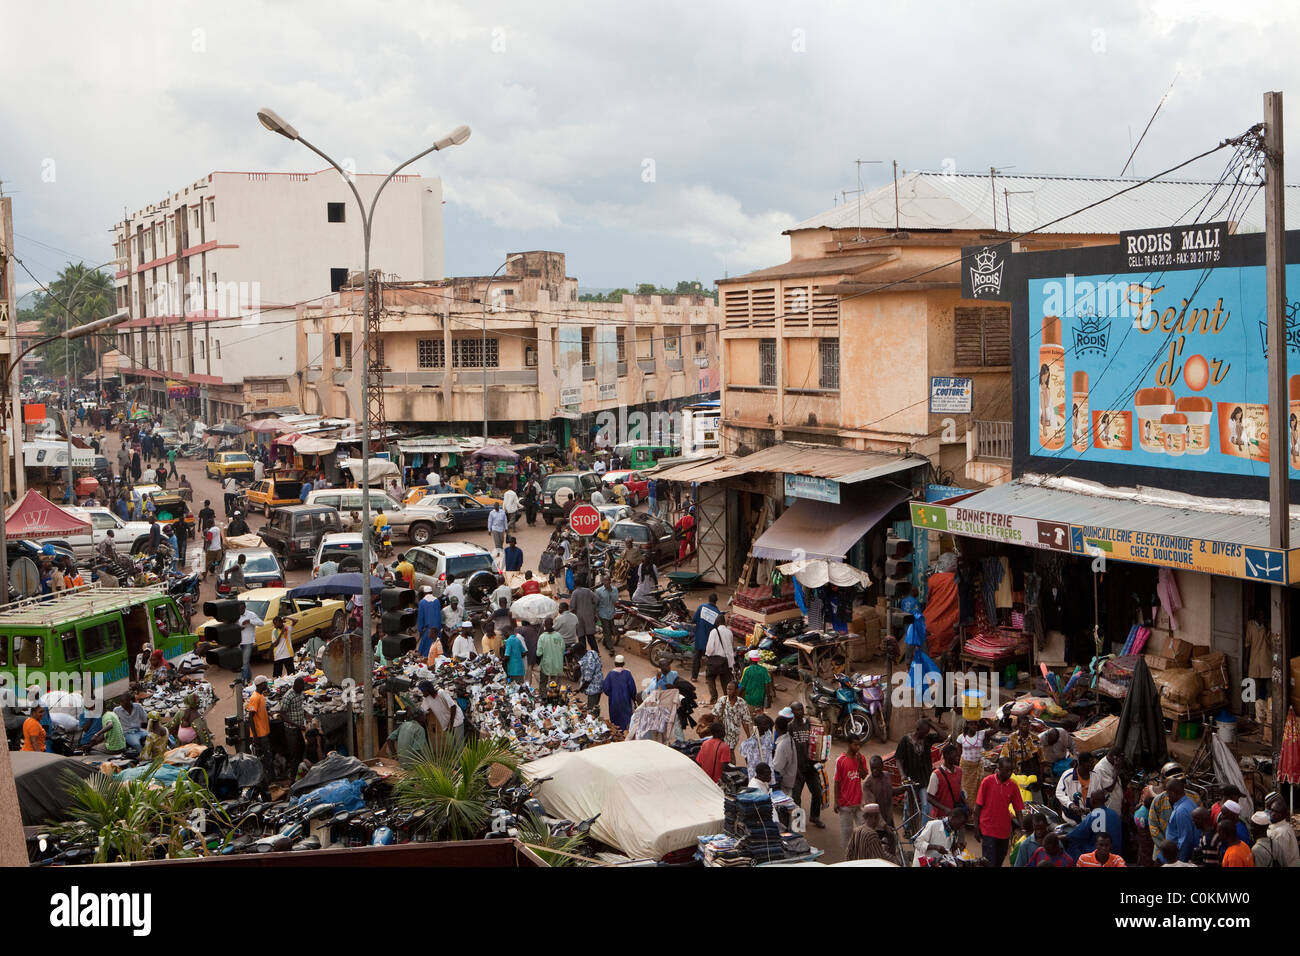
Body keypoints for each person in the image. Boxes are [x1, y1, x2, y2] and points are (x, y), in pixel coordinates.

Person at [974, 756, 1025, 866]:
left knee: (999, 860)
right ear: (999, 768)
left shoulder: (1013, 786)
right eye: (1007, 770)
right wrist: (976, 826)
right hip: (988, 828)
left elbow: (1018, 810)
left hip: (1004, 831)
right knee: (989, 862)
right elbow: (978, 806)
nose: (1009, 773)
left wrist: (1022, 828)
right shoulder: (987, 782)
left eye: (1011, 770)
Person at [896, 718, 942, 823]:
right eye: (925, 732)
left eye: (927, 732)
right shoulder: (905, 740)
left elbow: (943, 736)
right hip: (910, 779)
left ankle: (923, 831)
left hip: (925, 779)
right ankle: (907, 827)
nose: (926, 734)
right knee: (909, 806)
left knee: (926, 806)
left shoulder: (927, 739)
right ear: (918, 729)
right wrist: (902, 775)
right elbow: (898, 760)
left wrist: (931, 723)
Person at [788, 700, 824, 829]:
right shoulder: (790, 726)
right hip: (797, 767)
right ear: (792, 712)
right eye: (797, 710)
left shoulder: (808, 723)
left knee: (818, 793)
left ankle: (815, 817)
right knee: (796, 797)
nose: (800, 712)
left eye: (801, 709)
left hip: (811, 765)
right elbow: (789, 748)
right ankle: (798, 822)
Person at [833, 734, 869, 849]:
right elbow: (837, 782)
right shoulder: (841, 761)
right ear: (848, 745)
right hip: (845, 804)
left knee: (863, 831)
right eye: (855, 745)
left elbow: (863, 776)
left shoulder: (861, 758)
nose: (858, 747)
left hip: (859, 802)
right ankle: (848, 858)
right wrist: (836, 801)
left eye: (859, 745)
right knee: (847, 833)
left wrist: (859, 764)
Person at [1066, 789, 1122, 859]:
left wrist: (1060, 837)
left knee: (1074, 845)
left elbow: (1076, 835)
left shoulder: (1093, 815)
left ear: (1092, 800)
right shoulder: (1115, 814)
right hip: (1115, 852)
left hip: (1098, 854)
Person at [1163, 777, 1200, 863]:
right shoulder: (1190, 802)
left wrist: (1180, 862)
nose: (1167, 796)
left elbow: (1185, 839)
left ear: (1172, 793)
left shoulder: (1181, 811)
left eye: (1168, 793)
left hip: (1181, 858)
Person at [958, 718, 991, 809]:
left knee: (978, 789)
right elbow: (958, 754)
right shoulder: (961, 737)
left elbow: (996, 729)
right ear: (967, 725)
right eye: (972, 724)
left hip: (977, 766)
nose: (974, 726)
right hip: (966, 768)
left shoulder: (981, 734)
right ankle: (968, 810)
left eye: (976, 724)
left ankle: (977, 809)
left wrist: (986, 718)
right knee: (966, 789)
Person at [702, 613, 734, 704]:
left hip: (714, 661)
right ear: (724, 622)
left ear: (717, 622)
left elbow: (709, 648)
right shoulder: (729, 632)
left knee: (710, 678)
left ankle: (714, 697)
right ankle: (725, 699)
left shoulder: (714, 632)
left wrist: (707, 655)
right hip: (725, 661)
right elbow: (731, 648)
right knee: (725, 681)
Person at [601, 655, 639, 731]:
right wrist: (634, 699)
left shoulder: (610, 674)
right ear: (623, 663)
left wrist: (612, 694)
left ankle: (618, 735)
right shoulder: (627, 674)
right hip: (626, 701)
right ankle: (627, 735)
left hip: (614, 701)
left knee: (615, 721)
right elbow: (632, 689)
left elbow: (605, 688)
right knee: (627, 720)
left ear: (615, 663)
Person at [928, 742, 965, 819]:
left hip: (954, 815)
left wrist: (966, 804)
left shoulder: (959, 771)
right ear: (947, 756)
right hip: (940, 816)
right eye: (955, 756)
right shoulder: (936, 774)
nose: (958, 757)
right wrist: (945, 808)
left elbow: (959, 791)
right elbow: (929, 798)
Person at [1055, 751, 1095, 823]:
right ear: (1082, 763)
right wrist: (1070, 804)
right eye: (1090, 763)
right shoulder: (1067, 776)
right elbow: (1059, 793)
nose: (1093, 765)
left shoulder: (1095, 776)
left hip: (1090, 820)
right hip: (1071, 820)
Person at [246, 676, 273, 778]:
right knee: (266, 757)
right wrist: (255, 736)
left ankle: (270, 777)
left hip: (264, 731)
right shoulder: (255, 698)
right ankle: (269, 778)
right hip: (260, 734)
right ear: (261, 685)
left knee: (268, 756)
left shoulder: (261, 695)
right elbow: (250, 718)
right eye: (265, 683)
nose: (266, 685)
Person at [690, 592, 722, 681]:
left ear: (708, 599)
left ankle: (694, 677)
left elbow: (694, 620)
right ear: (716, 601)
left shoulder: (702, 607)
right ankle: (708, 679)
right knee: (709, 660)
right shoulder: (718, 613)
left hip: (699, 638)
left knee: (696, 658)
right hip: (709, 641)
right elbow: (717, 629)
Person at [1267, 795, 1300, 866]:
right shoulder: (1283, 826)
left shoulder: (1281, 833)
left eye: (1276, 812)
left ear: (1283, 815)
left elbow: (1281, 859)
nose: (1272, 814)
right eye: (1272, 810)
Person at [237, 602, 265, 683]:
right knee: (244, 661)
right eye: (238, 609)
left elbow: (261, 623)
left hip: (248, 642)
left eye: (241, 609)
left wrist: (250, 621)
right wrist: (239, 628)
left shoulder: (251, 614)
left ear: (244, 607)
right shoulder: (236, 616)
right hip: (239, 642)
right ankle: (249, 678)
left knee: (244, 661)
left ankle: (244, 680)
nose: (240, 611)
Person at [536, 617, 566, 688]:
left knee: (543, 682)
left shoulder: (542, 637)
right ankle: (557, 697)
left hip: (545, 664)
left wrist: (538, 661)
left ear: (544, 625)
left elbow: (539, 653)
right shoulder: (558, 635)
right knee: (556, 684)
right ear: (552, 624)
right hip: (557, 663)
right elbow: (563, 648)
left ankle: (543, 696)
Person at [569, 577, 597, 651]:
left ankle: (583, 653)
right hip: (589, 617)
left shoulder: (574, 593)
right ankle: (596, 652)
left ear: (575, 584)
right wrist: (592, 609)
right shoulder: (588, 591)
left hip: (579, 618)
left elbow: (572, 606)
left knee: (581, 637)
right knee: (591, 636)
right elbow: (597, 600)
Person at [595, 574, 619, 653]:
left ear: (610, 581)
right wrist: (596, 614)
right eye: (605, 581)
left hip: (611, 613)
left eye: (608, 580)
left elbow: (615, 601)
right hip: (603, 613)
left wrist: (610, 591)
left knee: (612, 630)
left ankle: (606, 642)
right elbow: (596, 603)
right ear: (602, 582)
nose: (606, 582)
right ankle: (611, 648)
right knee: (607, 630)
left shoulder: (614, 589)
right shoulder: (598, 591)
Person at [579, 644, 604, 714]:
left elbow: (587, 679)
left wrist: (580, 689)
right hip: (599, 683)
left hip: (593, 688)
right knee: (595, 706)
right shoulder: (592, 653)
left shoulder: (588, 662)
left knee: (591, 710)